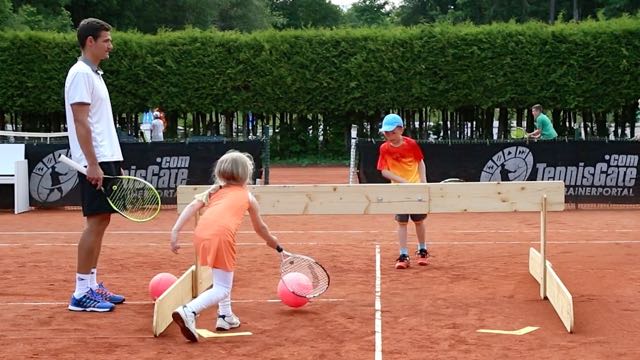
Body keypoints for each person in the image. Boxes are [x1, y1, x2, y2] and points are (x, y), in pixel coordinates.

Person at [169, 150, 281, 342]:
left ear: (220, 174)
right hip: (221, 237)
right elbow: (260, 227)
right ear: (247, 175)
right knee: (222, 286)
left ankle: (225, 316)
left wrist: (175, 231)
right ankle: (189, 311)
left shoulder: (214, 190)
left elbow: (191, 207)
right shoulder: (247, 196)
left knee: (221, 276)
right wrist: (272, 241)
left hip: (202, 233)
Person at [64, 18, 125, 312]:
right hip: (95, 159)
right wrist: (92, 163)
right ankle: (80, 293)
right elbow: (80, 121)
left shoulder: (94, 74)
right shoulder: (80, 74)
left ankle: (91, 284)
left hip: (105, 156)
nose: (110, 45)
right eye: (106, 40)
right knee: (95, 221)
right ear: (90, 42)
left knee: (102, 219)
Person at [376, 114, 429, 269]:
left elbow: (420, 162)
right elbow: (384, 171)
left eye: (392, 132)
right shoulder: (384, 148)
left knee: (419, 221)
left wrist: (423, 182)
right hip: (398, 191)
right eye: (386, 132)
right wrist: (403, 182)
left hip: (416, 189)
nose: (389, 135)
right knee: (402, 223)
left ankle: (422, 250)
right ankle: (403, 254)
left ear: (401, 129)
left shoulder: (411, 144)